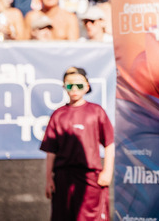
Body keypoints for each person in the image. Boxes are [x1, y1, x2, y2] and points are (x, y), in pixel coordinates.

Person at [41, 66, 114, 221]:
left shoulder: (96, 111)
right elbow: (51, 151)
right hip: (63, 179)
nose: (74, 89)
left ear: (87, 87)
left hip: (90, 179)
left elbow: (109, 143)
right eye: (69, 85)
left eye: (79, 85)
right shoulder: (58, 115)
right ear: (64, 87)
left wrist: (107, 171)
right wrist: (49, 179)